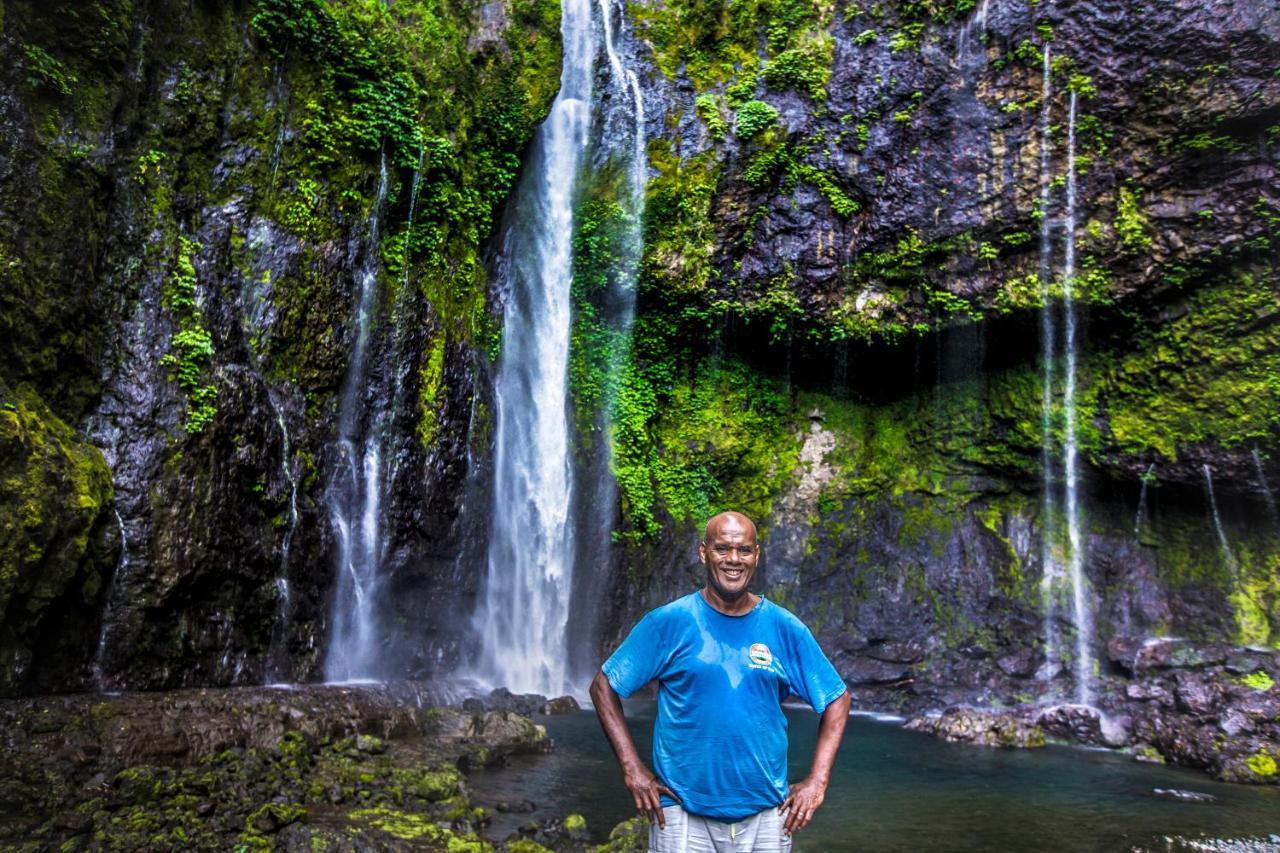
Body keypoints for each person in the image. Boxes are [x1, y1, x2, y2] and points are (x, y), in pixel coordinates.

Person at [589, 511, 851, 852]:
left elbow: (837, 698)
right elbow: (603, 686)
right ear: (703, 552)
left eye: (743, 550)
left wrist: (817, 781)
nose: (733, 560)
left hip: (768, 815)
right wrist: (633, 769)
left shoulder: (784, 627)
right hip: (682, 815)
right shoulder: (669, 622)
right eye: (722, 548)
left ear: (756, 555)